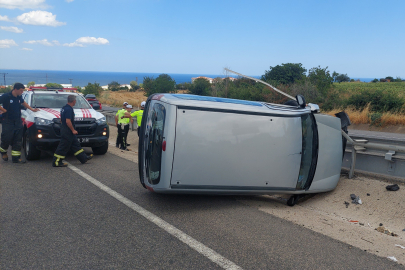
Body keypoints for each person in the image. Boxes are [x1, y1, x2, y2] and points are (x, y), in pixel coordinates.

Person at [0, 83, 39, 163]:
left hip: (17, 120)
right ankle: (3, 151)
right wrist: (3, 110)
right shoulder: (6, 96)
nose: (22, 92)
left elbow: (23, 102)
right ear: (15, 89)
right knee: (7, 138)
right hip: (7, 121)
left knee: (18, 139)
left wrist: (32, 109)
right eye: (21, 90)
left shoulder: (19, 97)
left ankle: (16, 158)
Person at [52, 95, 92, 167]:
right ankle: (56, 161)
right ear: (73, 101)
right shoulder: (69, 109)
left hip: (65, 129)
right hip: (68, 131)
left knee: (75, 144)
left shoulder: (64, 108)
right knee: (63, 146)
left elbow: (61, 119)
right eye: (75, 101)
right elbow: (68, 121)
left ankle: (83, 158)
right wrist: (73, 130)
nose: (75, 102)